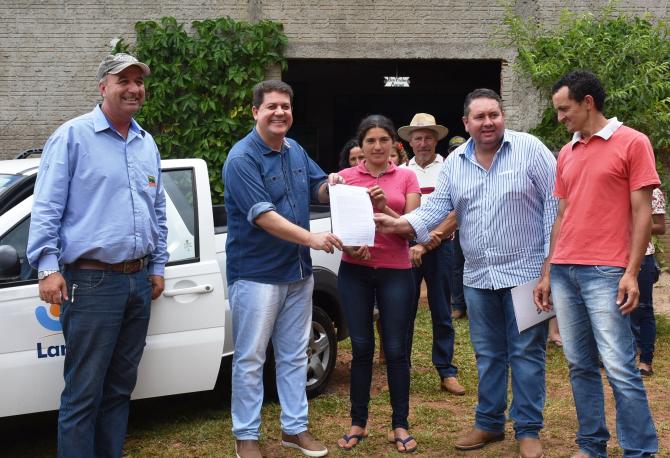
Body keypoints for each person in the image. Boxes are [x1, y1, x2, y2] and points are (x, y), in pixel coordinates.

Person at [375, 89, 557, 458]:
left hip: (527, 273)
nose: (488, 122)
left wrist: (549, 269)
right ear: (466, 122)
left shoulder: (531, 150)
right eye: (480, 117)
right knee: (488, 353)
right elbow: (436, 211)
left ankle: (528, 429)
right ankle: (489, 422)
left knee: (526, 353)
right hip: (477, 276)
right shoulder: (456, 162)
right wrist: (400, 224)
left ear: (502, 116)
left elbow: (556, 209)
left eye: (494, 115)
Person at [26, 53, 168, 458]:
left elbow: (157, 208)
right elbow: (47, 206)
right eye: (124, 80)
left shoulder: (145, 142)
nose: (134, 88)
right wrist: (47, 268)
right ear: (103, 86)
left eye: (139, 81)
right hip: (91, 282)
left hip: (138, 281)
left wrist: (157, 265)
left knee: (120, 389)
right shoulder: (72, 137)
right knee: (84, 393)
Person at [535, 70, 659, 457]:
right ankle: (591, 445)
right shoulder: (567, 152)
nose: (560, 117)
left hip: (607, 271)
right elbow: (562, 215)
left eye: (564, 109)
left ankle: (639, 451)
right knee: (579, 365)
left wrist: (632, 272)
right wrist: (548, 271)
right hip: (565, 270)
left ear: (588, 102)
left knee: (620, 366)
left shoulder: (633, 142)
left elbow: (643, 214)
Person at [223, 80, 342, 458]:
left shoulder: (294, 150)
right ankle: (246, 436)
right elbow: (264, 217)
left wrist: (333, 185)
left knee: (294, 354)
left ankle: (294, 428)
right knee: (250, 359)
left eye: (285, 107)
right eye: (271, 106)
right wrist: (311, 239)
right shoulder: (242, 159)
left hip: (297, 272)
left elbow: (316, 188)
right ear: (255, 111)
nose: (280, 113)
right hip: (256, 276)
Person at [332, 115, 421, 453]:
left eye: (384, 139)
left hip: (396, 270)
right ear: (361, 145)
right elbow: (338, 226)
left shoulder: (407, 176)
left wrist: (385, 207)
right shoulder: (346, 178)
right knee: (361, 348)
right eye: (370, 140)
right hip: (355, 271)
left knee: (396, 350)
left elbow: (413, 228)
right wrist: (347, 244)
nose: (377, 146)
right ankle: (358, 422)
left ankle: (400, 424)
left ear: (393, 144)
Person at [397, 112, 465, 396]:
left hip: (441, 246)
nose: (423, 143)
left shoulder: (449, 168)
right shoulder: (402, 171)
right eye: (418, 138)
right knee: (404, 310)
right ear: (410, 142)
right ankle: (401, 369)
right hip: (406, 247)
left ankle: (446, 370)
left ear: (436, 140)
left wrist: (428, 242)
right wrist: (411, 241)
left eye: (428, 138)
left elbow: (455, 210)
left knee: (441, 310)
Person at [632, 187, 665, 376]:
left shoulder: (653, 192)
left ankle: (645, 361)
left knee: (643, 308)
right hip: (613, 256)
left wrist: (635, 226)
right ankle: (622, 356)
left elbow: (661, 227)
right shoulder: (615, 186)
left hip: (643, 256)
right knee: (615, 308)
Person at [446, 135, 467, 320]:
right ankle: (458, 305)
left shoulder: (472, 165)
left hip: (471, 226)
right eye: (453, 149)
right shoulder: (447, 169)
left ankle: (472, 305)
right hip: (454, 228)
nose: (456, 152)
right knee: (456, 267)